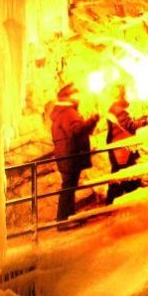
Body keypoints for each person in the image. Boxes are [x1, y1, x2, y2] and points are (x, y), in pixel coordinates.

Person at [49, 83, 99, 224]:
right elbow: (76, 130)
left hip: (66, 155)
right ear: (68, 97)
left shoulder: (62, 112)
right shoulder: (67, 112)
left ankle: (68, 217)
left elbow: (76, 130)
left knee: (69, 187)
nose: (79, 98)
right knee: (68, 188)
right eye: (76, 95)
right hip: (70, 155)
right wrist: (92, 120)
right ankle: (64, 220)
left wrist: (90, 122)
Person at [105, 93, 148, 204]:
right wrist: (147, 122)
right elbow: (131, 127)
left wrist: (141, 120)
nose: (129, 98)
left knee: (121, 178)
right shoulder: (119, 110)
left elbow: (126, 125)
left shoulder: (116, 109)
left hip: (120, 151)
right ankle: (112, 206)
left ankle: (113, 204)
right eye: (126, 95)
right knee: (123, 178)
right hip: (122, 151)